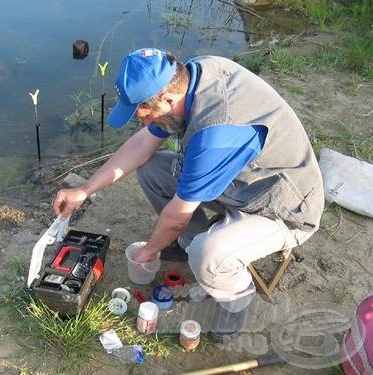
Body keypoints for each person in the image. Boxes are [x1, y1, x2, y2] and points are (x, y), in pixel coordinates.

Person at [52, 48, 324, 337]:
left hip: (282, 207)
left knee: (209, 255)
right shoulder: (189, 76)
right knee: (152, 168)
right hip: (239, 179)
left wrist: (151, 249)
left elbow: (175, 217)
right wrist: (85, 189)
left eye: (147, 116)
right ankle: (187, 245)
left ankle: (232, 315)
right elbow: (143, 144)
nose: (145, 123)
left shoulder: (214, 134)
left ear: (168, 100)